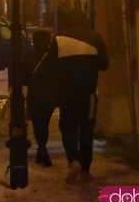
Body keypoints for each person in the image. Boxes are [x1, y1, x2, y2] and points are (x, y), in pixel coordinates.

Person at [36, 9, 109, 183]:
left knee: (68, 128)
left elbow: (49, 67)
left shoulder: (59, 40)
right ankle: (85, 168)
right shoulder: (96, 38)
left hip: (66, 93)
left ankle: (73, 160)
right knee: (86, 130)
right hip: (89, 94)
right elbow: (104, 64)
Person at [27, 28, 55, 167]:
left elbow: (24, 77)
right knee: (44, 123)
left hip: (35, 95)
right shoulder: (51, 56)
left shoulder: (29, 55)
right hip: (49, 95)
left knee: (38, 124)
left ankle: (42, 148)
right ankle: (42, 149)